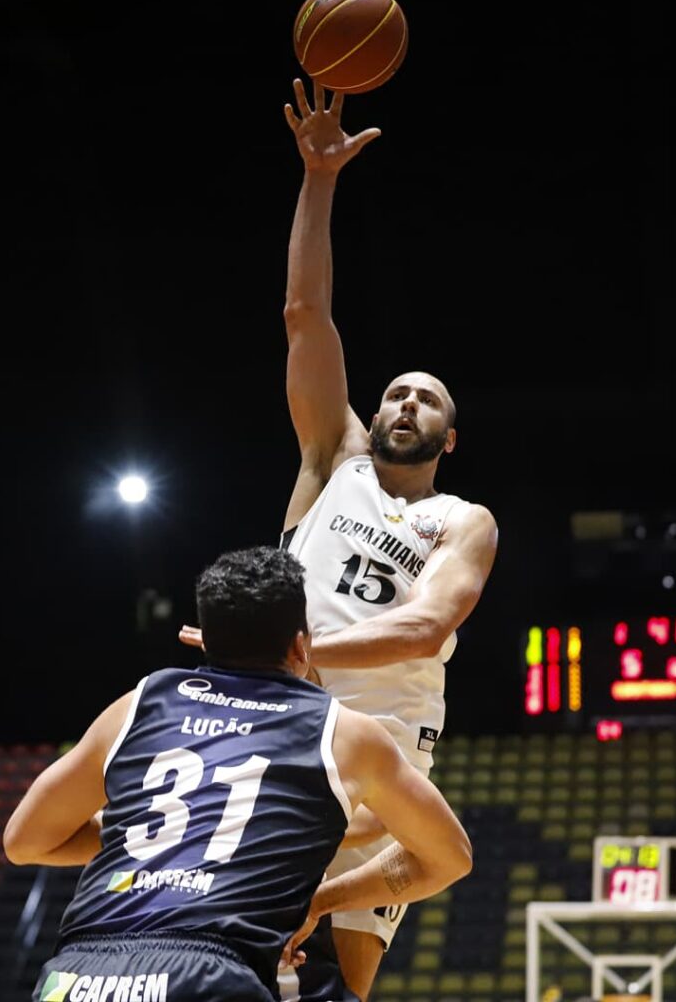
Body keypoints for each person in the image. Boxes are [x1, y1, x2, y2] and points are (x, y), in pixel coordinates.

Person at [182, 78, 500, 1001]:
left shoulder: (462, 520)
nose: (404, 401)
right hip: (270, 716)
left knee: (340, 967)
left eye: (426, 398)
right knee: (236, 937)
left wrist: (288, 653)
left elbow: (419, 628)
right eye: (396, 390)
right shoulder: (333, 458)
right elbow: (304, 318)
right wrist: (318, 179)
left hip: (382, 740)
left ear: (449, 435)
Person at [5, 545, 473, 1002]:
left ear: (206, 639)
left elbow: (25, 841)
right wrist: (323, 901)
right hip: (208, 973)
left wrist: (153, 834)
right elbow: (449, 856)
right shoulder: (342, 732)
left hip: (77, 973)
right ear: (301, 644)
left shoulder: (142, 702)